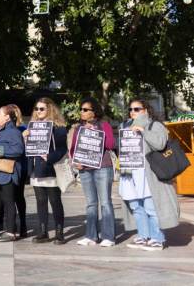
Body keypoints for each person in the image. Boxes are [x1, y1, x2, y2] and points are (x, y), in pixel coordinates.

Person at [120, 99, 180, 251]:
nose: (132, 112)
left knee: (150, 207)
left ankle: (157, 238)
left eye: (137, 109)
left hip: (148, 174)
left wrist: (143, 131)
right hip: (130, 173)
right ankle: (143, 235)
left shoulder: (155, 125)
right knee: (136, 206)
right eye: (131, 109)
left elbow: (160, 143)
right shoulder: (125, 126)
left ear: (146, 110)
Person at [70, 97, 116, 247]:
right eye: (81, 110)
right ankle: (91, 235)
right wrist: (76, 161)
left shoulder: (104, 125)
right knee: (91, 203)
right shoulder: (78, 128)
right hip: (85, 169)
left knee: (105, 203)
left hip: (103, 167)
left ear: (94, 112)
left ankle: (108, 236)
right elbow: (73, 148)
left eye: (85, 110)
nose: (81, 112)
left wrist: (95, 134)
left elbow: (110, 144)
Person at [24, 98, 68, 245]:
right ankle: (43, 232)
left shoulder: (58, 127)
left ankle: (59, 232)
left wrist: (49, 157)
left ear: (50, 109)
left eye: (42, 109)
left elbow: (62, 149)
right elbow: (29, 149)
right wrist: (25, 138)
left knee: (55, 201)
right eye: (36, 109)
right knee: (40, 201)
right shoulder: (32, 127)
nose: (38, 111)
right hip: (37, 169)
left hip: (51, 168)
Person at [0, 106, 26, 243]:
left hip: (8, 172)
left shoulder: (13, 131)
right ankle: (10, 228)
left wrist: (0, 149)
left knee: (9, 202)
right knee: (5, 201)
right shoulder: (0, 131)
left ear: (7, 117)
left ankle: (11, 232)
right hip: (0, 173)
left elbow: (19, 150)